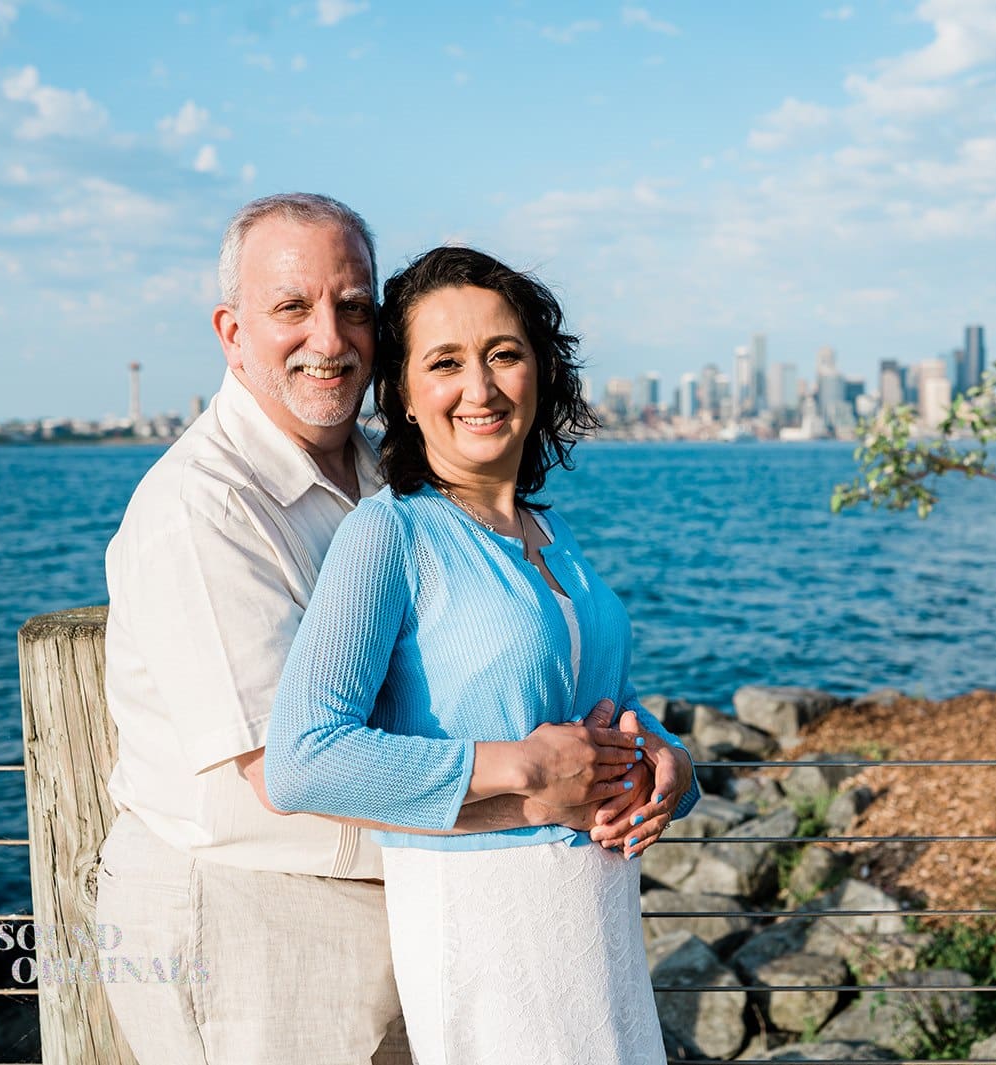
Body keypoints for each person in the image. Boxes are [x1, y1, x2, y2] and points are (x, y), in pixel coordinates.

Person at [97, 195, 641, 1065]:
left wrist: (647, 770)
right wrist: (538, 792)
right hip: (252, 921)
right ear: (232, 332)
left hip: (419, 904)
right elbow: (285, 768)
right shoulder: (199, 509)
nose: (330, 335)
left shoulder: (385, 480)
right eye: (291, 307)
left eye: (354, 306)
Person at [265, 245, 700, 1064]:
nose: (482, 386)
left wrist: (668, 764)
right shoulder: (388, 534)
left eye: (504, 354)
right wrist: (521, 769)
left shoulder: (553, 536)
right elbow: (301, 761)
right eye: (446, 362)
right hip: (488, 936)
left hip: (601, 935)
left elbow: (611, 706)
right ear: (403, 393)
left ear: (540, 370)